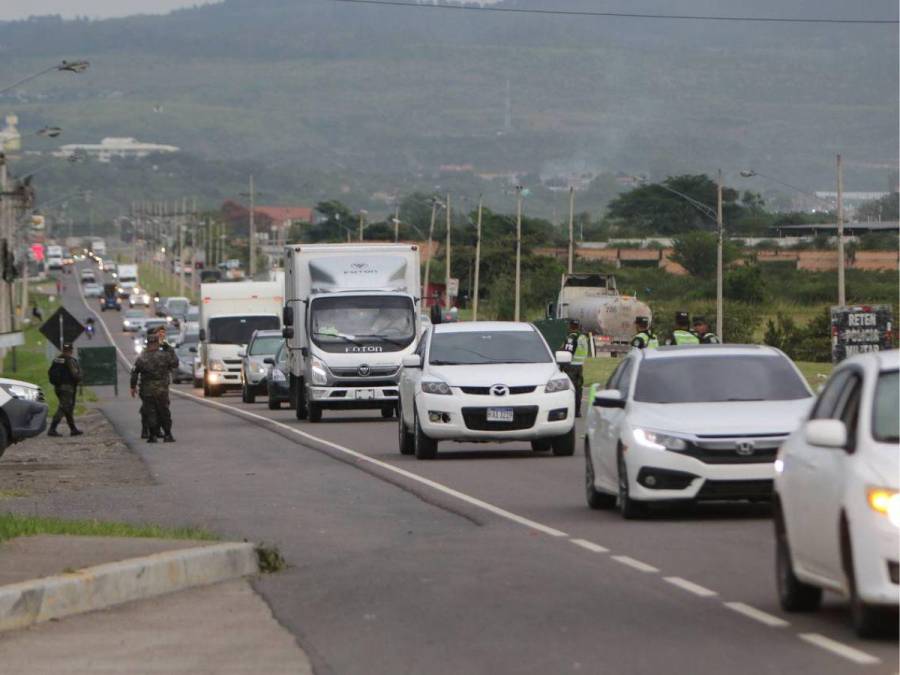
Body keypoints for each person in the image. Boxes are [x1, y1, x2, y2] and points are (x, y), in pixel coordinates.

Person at [130, 330, 178, 443]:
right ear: (157, 343)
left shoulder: (142, 358)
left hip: (147, 389)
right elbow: (175, 363)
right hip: (162, 389)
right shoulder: (165, 356)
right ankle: (167, 434)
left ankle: (152, 436)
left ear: (147, 344)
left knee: (150, 411)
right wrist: (169, 347)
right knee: (164, 411)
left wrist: (133, 387)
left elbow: (135, 372)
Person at [47, 343, 83, 437]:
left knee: (67, 408)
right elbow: (75, 375)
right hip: (67, 388)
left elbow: (50, 372)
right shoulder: (70, 360)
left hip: (58, 387)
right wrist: (80, 377)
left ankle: (73, 429)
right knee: (63, 408)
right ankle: (52, 429)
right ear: (71, 350)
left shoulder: (56, 360)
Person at [561, 318, 589, 417]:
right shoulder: (583, 337)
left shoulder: (571, 337)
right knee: (578, 389)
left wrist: (562, 365)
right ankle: (577, 411)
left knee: (569, 390)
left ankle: (569, 411)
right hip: (580, 366)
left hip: (570, 366)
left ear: (571, 326)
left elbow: (567, 352)